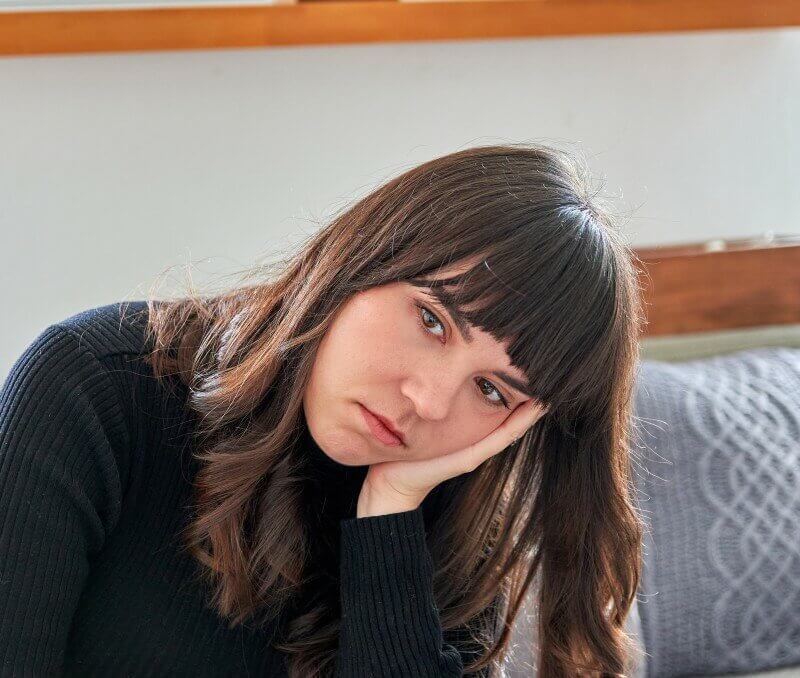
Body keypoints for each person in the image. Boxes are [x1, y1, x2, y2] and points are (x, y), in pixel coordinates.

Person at [0, 143, 646, 677]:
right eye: (431, 319)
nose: (427, 400)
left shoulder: (449, 511)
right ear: (360, 260)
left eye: (492, 390)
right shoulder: (97, 382)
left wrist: (388, 520)